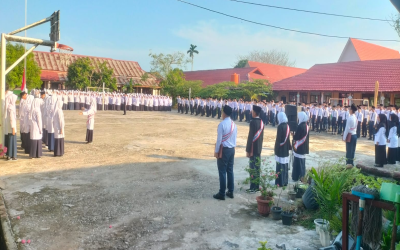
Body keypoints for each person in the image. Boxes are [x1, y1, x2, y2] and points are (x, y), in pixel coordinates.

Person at [213, 105, 237, 200]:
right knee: (230, 170)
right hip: (232, 149)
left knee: (222, 171)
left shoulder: (222, 124)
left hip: (224, 150)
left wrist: (216, 151)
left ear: (224, 113)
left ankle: (222, 193)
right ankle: (230, 191)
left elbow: (219, 140)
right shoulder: (234, 124)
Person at [245, 105, 264, 193]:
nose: (251, 112)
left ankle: (253, 187)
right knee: (257, 167)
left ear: (255, 113)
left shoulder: (253, 122)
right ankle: (256, 186)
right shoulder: (261, 122)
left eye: (252, 111)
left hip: (253, 147)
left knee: (252, 168)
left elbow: (250, 137)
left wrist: (247, 149)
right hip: (259, 147)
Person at [275, 112, 291, 187]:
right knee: (285, 165)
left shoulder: (280, 126)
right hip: (286, 148)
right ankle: (285, 181)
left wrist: (276, 149)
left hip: (281, 149)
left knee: (280, 166)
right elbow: (288, 139)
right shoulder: (287, 126)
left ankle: (279, 182)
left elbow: (278, 140)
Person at [292, 111, 309, 181]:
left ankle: (296, 176)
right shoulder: (306, 125)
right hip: (304, 146)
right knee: (302, 163)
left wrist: (293, 136)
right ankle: (302, 176)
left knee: (297, 162)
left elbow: (297, 137)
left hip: (299, 147)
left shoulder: (300, 126)